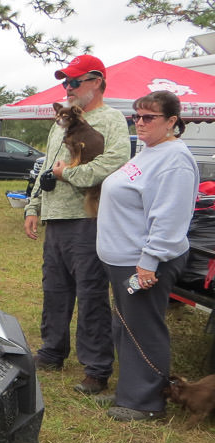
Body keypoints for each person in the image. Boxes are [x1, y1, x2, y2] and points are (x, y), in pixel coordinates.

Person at [23, 54, 131, 395]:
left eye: (74, 82)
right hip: (55, 218)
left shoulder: (112, 120)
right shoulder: (62, 122)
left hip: (89, 217)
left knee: (91, 293)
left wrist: (70, 173)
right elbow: (48, 165)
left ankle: (96, 368)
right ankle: (52, 351)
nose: (67, 88)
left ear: (96, 81)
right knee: (54, 290)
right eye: (65, 82)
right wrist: (34, 205)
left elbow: (115, 163)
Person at [96, 91, 198, 421]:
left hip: (144, 261)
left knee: (144, 328)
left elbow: (169, 216)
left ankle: (147, 402)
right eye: (136, 116)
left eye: (149, 117)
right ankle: (130, 390)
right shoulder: (150, 150)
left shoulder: (175, 159)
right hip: (122, 257)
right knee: (125, 326)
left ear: (172, 121)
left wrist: (149, 261)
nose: (140, 123)